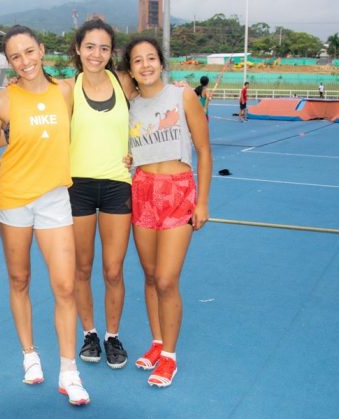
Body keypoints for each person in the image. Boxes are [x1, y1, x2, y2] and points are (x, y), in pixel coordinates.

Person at [0, 25, 90, 406]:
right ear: (9, 62)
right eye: (16, 56)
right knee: (20, 279)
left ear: (42, 50)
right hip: (13, 198)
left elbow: (112, 88)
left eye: (29, 52)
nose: (25, 61)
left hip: (54, 199)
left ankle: (69, 371)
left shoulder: (64, 91)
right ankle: (30, 355)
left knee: (65, 286)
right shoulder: (2, 100)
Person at [120, 36, 212, 387]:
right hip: (141, 191)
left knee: (166, 279)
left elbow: (204, 149)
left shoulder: (182, 95)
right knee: (148, 274)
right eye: (137, 60)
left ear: (161, 62)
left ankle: (170, 357)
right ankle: (157, 342)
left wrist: (202, 201)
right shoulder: (128, 105)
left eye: (151, 58)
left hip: (178, 191)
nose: (145, 65)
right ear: (130, 69)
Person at [61, 18, 133, 370]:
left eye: (104, 48)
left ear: (111, 52)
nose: (96, 53)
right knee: (82, 267)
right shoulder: (66, 89)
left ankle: (112, 335)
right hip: (79, 188)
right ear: (78, 49)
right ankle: (89, 332)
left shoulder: (125, 83)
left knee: (113, 270)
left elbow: (154, 105)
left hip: (119, 184)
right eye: (90, 46)